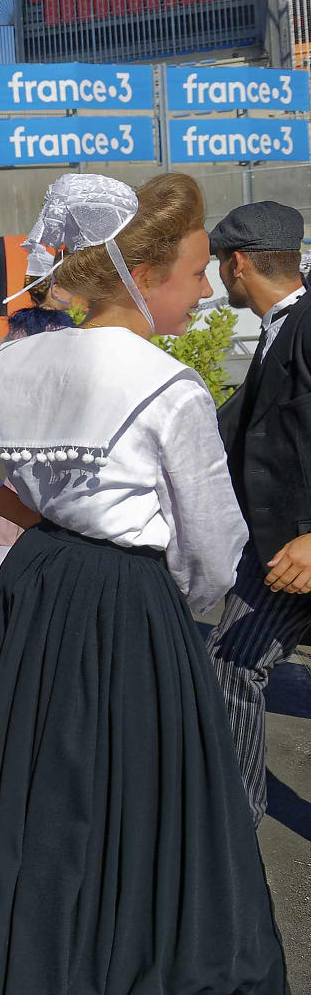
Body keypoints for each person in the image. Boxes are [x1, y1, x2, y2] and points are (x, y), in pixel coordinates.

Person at [0, 172, 286, 994]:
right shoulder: (167, 383)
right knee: (146, 799)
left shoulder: (17, 362)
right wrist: (175, 611)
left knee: (40, 781)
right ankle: (128, 956)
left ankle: (44, 955)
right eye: (192, 276)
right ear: (144, 277)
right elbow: (214, 549)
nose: (202, 293)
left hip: (36, 587)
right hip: (128, 598)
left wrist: (39, 519)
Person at [205, 201, 311, 827]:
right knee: (233, 662)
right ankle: (236, 824)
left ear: (237, 262)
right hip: (275, 554)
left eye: (217, 264)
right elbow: (238, 429)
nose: (216, 278)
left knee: (232, 663)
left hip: (301, 548)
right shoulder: (277, 330)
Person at [0, 276, 75, 604]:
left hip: (30, 427)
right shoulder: (63, 330)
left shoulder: (23, 327)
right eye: (67, 286)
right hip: (55, 424)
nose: (73, 293)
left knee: (20, 492)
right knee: (48, 496)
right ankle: (11, 584)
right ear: (54, 290)